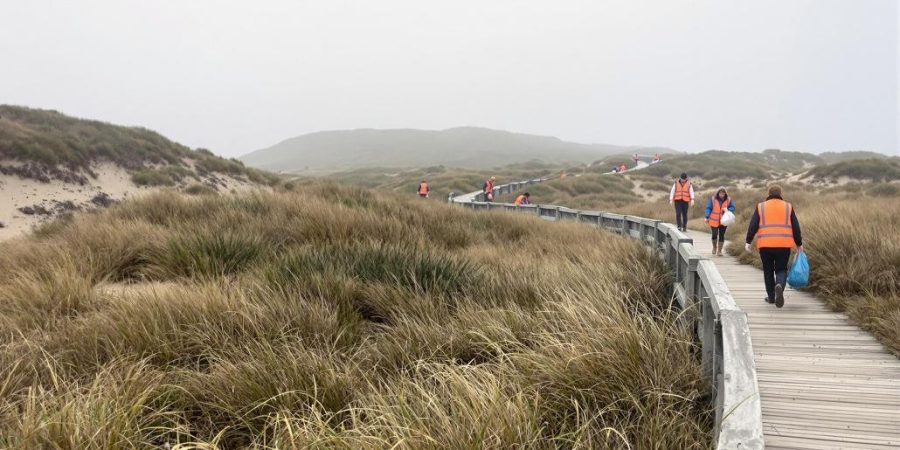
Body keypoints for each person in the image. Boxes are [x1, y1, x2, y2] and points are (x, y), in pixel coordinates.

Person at [745, 185, 803, 308]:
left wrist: (748, 241)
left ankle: (771, 298)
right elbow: (795, 227)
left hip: (765, 245)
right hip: (784, 244)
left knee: (768, 271)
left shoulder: (761, 206)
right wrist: (799, 244)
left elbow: (753, 225)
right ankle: (780, 286)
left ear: (768, 194)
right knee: (781, 269)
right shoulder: (788, 206)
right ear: (780, 194)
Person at [705, 187, 735, 256]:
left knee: (722, 235)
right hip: (714, 220)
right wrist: (707, 216)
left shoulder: (729, 200)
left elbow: (733, 207)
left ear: (725, 193)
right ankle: (714, 247)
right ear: (718, 193)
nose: (722, 195)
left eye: (723, 193)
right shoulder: (712, 199)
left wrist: (728, 209)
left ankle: (719, 251)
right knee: (714, 234)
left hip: (724, 221)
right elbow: (708, 208)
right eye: (720, 193)